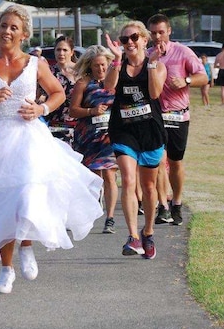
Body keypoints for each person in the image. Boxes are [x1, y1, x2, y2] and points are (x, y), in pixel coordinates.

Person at [0, 5, 103, 294]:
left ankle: (26, 245)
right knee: (2, 204)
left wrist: (41, 108)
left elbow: (58, 93)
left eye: (13, 27)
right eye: (3, 26)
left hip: (29, 138)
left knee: (26, 195)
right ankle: (6, 269)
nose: (7, 32)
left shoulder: (35, 64)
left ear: (24, 33)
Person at [103, 21, 167, 258]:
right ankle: (133, 237)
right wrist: (116, 60)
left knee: (149, 186)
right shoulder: (117, 65)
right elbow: (109, 88)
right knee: (129, 180)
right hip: (123, 130)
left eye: (134, 38)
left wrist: (150, 64)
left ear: (144, 40)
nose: (129, 42)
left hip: (150, 130)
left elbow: (154, 93)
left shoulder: (157, 66)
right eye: (124, 39)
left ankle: (147, 231)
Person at [146, 14, 208, 226]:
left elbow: (204, 77)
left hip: (178, 114)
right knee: (158, 161)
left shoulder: (182, 52)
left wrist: (185, 80)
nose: (157, 37)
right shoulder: (147, 55)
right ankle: (163, 206)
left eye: (161, 32)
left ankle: (177, 202)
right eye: (153, 33)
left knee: (175, 162)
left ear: (169, 31)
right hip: (154, 115)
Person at [70, 45, 119, 234]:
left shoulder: (114, 82)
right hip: (88, 135)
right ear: (90, 66)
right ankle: (92, 210)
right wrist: (91, 111)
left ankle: (110, 218)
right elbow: (73, 110)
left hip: (109, 135)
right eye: (97, 65)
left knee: (109, 174)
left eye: (104, 65)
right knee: (93, 177)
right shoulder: (83, 83)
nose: (101, 69)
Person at [44, 35, 78, 143]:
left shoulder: (82, 71)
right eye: (58, 50)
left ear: (72, 52)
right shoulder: (48, 72)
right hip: (55, 126)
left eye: (65, 50)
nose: (61, 53)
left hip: (79, 126)